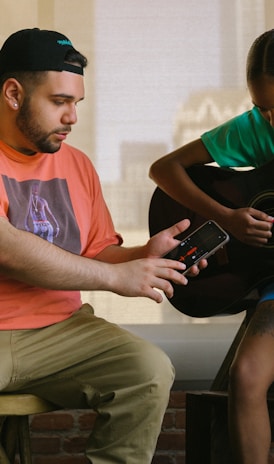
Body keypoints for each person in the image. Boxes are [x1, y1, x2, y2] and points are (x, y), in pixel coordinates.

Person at [0, 28, 207, 464]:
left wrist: (143, 257)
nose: (73, 117)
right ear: (14, 94)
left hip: (60, 331)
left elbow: (96, 252)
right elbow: (8, 248)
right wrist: (116, 277)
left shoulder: (77, 164)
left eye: (77, 103)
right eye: (59, 102)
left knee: (148, 371)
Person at [149, 29, 274, 464]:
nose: (271, 119)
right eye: (263, 107)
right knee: (246, 375)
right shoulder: (258, 128)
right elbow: (165, 170)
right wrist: (227, 218)